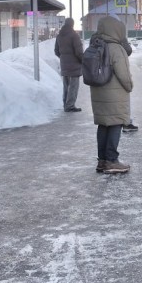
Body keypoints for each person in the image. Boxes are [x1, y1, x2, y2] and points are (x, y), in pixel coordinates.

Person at [90, 16, 132, 174]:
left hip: (98, 92)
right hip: (115, 94)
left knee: (103, 125)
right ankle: (112, 160)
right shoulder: (116, 48)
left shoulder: (95, 45)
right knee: (116, 123)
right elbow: (124, 74)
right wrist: (129, 86)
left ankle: (102, 160)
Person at [54, 17, 84, 112]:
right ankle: (70, 106)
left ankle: (65, 104)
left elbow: (56, 51)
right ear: (72, 24)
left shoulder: (59, 36)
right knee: (73, 86)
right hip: (74, 65)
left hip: (64, 64)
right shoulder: (74, 35)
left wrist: (64, 58)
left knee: (66, 86)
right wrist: (83, 60)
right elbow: (79, 52)